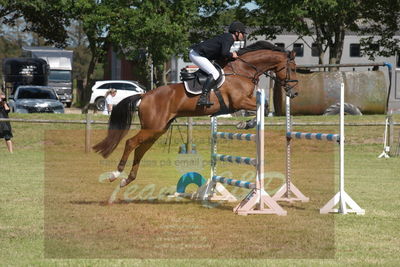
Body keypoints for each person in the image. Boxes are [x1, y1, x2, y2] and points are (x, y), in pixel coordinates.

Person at [189, 21, 246, 106]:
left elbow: (221, 55)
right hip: (197, 55)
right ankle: (203, 98)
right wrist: (232, 55)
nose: (244, 35)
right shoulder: (229, 38)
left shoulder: (227, 38)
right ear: (237, 33)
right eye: (243, 33)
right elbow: (224, 53)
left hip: (198, 54)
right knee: (215, 73)